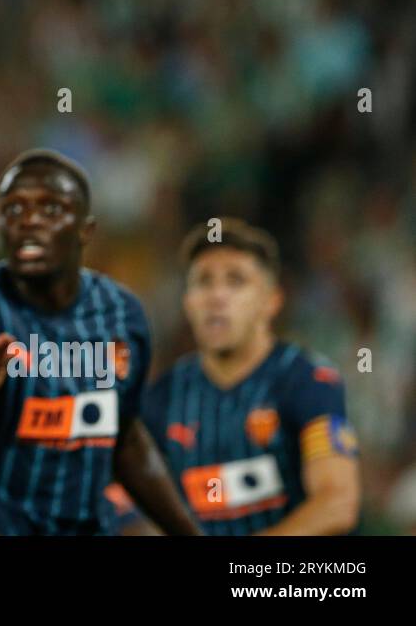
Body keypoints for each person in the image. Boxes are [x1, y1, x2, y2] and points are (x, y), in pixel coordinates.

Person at [0, 149, 199, 535]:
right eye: (13, 210)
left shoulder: (122, 315)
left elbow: (125, 436)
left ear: (85, 230)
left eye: (50, 210)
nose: (28, 222)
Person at [141, 218, 361, 534]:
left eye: (236, 281)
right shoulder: (163, 397)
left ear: (271, 301)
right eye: (203, 282)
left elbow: (337, 503)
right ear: (187, 302)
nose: (216, 296)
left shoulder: (307, 381)